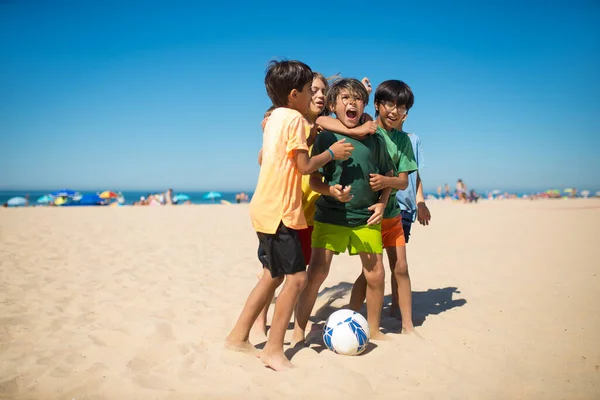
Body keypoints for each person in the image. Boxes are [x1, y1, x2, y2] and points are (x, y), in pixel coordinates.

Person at [225, 60, 354, 371]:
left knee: (272, 274)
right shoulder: (295, 120)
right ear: (295, 94)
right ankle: (272, 349)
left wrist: (312, 140)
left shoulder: (274, 119)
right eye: (310, 90)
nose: (313, 95)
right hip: (281, 210)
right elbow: (304, 167)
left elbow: (286, 154)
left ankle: (238, 336)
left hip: (263, 207)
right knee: (296, 278)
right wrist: (331, 154)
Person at [292, 78, 394, 343]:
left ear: (364, 105)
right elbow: (315, 180)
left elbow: (389, 173)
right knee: (316, 273)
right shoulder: (327, 136)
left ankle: (374, 330)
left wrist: (382, 202)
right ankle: (299, 330)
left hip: (366, 216)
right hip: (331, 216)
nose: (352, 103)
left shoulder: (375, 138)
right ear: (333, 105)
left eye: (358, 99)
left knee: (377, 274)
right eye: (345, 98)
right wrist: (330, 191)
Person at [347, 80, 421, 333]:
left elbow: (402, 182)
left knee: (401, 268)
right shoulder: (367, 131)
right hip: (368, 215)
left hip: (393, 215)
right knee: (370, 272)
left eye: (401, 107)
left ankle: (408, 325)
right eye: (389, 104)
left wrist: (385, 181)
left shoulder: (404, 140)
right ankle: (351, 316)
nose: (394, 111)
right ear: (377, 104)